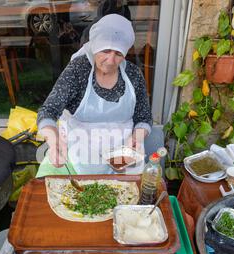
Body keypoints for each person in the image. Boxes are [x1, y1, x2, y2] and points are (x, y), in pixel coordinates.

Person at [36, 14, 152, 178]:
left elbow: (144, 117)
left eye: (118, 54)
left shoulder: (133, 74)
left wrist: (136, 138)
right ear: (95, 46)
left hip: (122, 159)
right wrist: (54, 140)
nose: (111, 60)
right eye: (105, 50)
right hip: (75, 157)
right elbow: (48, 111)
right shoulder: (78, 70)